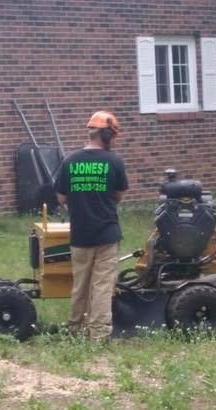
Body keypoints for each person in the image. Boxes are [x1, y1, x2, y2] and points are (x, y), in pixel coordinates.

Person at [56, 111, 128, 340]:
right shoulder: (114, 161)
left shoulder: (70, 161)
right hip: (107, 234)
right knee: (102, 286)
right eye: (113, 136)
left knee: (80, 286)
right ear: (106, 135)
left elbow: (61, 197)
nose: (114, 140)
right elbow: (119, 194)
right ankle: (98, 334)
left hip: (80, 235)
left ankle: (75, 329)